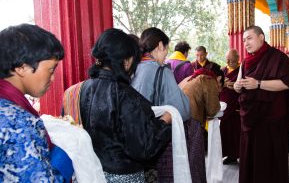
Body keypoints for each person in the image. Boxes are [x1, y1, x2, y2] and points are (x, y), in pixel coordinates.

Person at [77, 28, 172, 182]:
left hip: (90, 174)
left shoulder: (79, 90)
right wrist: (164, 121)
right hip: (123, 177)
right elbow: (145, 147)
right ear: (127, 62)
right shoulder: (127, 96)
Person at [0, 24, 65, 182]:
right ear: (22, 68)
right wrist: (65, 164)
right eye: (51, 69)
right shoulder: (18, 121)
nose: (53, 78)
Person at [234, 26, 289, 183]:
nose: (246, 43)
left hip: (271, 118)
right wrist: (237, 86)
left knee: (269, 159)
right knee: (250, 157)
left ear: (261, 37)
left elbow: (286, 84)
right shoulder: (246, 61)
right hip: (250, 119)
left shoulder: (279, 58)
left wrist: (258, 84)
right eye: (243, 40)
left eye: (249, 38)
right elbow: (239, 82)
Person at [131, 27, 190, 182]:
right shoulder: (161, 71)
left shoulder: (132, 67)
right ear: (159, 46)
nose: (166, 56)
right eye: (166, 50)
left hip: (131, 141)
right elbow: (183, 109)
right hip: (152, 141)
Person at [179, 68, 220, 183]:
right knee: (195, 157)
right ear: (219, 78)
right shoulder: (208, 79)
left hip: (177, 118)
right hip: (192, 119)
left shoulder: (190, 78)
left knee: (183, 156)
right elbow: (213, 109)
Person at [219, 49, 241, 165]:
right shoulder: (222, 70)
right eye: (227, 59)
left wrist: (237, 86)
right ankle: (230, 155)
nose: (229, 62)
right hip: (224, 107)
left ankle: (241, 155)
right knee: (225, 131)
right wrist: (224, 84)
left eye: (232, 59)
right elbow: (217, 85)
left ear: (238, 58)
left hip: (237, 107)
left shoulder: (243, 70)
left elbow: (246, 86)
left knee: (237, 132)